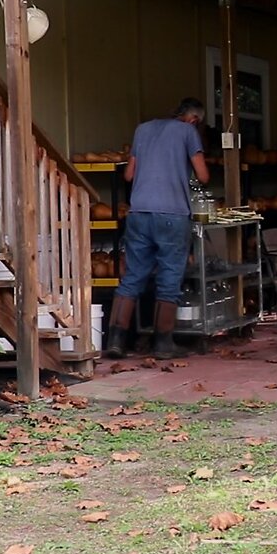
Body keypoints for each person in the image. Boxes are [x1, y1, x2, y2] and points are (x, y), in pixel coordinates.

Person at [104, 97, 210, 359]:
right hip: (172, 215)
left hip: (139, 212)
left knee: (132, 276)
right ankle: (163, 343)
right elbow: (204, 175)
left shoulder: (142, 129)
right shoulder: (188, 132)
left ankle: (116, 340)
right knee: (169, 278)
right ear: (194, 119)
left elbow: (129, 175)